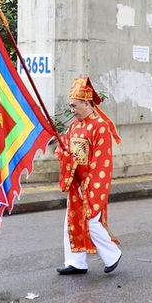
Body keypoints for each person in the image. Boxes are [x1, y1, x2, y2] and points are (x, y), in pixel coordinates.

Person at [55, 77, 122, 275]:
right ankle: (76, 262)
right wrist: (64, 154)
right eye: (71, 107)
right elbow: (64, 149)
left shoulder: (100, 126)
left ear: (86, 102)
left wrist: (90, 187)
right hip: (75, 182)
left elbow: (101, 162)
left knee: (91, 221)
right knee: (71, 220)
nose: (72, 110)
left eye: (75, 106)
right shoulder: (74, 127)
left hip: (90, 184)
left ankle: (113, 254)